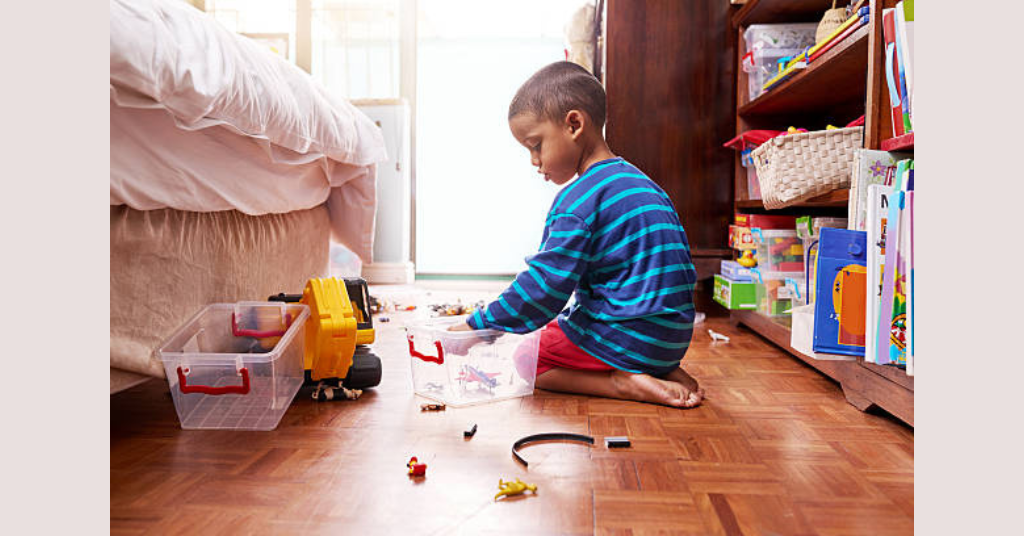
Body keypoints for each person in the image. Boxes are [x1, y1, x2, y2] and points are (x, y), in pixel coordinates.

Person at [448, 61, 703, 408]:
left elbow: (544, 289)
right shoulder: (645, 184)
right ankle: (659, 370)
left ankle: (622, 382)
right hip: (672, 338)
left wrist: (479, 328)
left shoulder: (577, 200)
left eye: (536, 145)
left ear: (573, 124)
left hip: (626, 338)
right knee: (567, 322)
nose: (534, 161)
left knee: (529, 357)